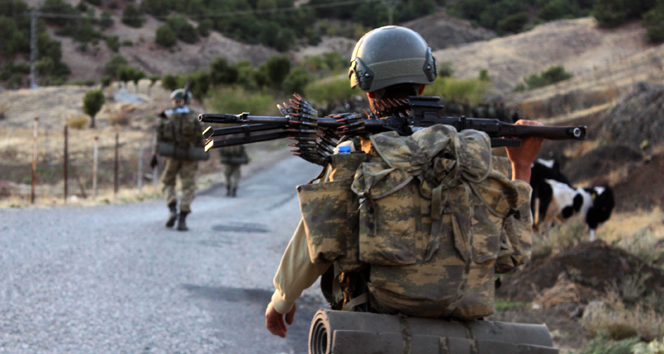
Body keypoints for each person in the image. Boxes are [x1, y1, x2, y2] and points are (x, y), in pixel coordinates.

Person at [265, 26, 544, 338]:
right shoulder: (471, 160)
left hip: (376, 322)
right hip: (461, 327)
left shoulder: (358, 155)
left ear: (368, 91)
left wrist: (283, 298)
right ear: (423, 87)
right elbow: (513, 252)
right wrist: (522, 167)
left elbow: (316, 237)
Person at [150, 88, 205, 231]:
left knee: (168, 182)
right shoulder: (195, 116)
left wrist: (154, 155)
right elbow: (202, 137)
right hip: (189, 155)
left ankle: (172, 208)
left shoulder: (165, 115)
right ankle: (182, 218)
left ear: (174, 100)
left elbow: (158, 137)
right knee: (188, 186)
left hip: (171, 155)